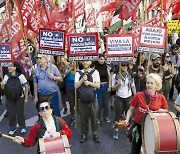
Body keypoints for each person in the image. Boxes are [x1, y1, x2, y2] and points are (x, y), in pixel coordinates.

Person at [125, 73, 168, 154]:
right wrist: (127, 119)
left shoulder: (161, 98)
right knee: (135, 149)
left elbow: (165, 113)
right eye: (148, 83)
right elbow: (130, 109)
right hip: (138, 126)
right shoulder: (138, 95)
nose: (149, 85)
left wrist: (161, 111)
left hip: (153, 129)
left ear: (157, 85)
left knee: (150, 150)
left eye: (152, 83)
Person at [75, 61, 101, 143]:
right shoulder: (78, 73)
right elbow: (75, 86)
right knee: (83, 119)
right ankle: (84, 134)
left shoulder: (95, 72)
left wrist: (89, 83)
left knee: (94, 118)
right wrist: (82, 79)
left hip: (93, 99)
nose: (85, 62)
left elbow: (98, 85)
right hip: (82, 100)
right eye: (84, 61)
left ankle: (95, 134)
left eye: (87, 60)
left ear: (90, 62)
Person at [111, 61, 136, 140]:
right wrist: (117, 84)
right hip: (119, 97)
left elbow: (133, 86)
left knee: (129, 115)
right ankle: (116, 130)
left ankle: (128, 129)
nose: (125, 66)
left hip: (128, 97)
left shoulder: (130, 75)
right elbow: (112, 88)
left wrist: (136, 97)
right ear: (119, 66)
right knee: (117, 115)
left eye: (126, 65)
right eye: (123, 65)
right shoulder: (115, 76)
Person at [2, 62, 29, 135]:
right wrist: (2, 83)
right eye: (8, 66)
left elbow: (26, 86)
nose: (9, 68)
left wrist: (26, 97)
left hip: (20, 97)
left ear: (15, 67)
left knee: (20, 113)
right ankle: (12, 128)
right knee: (11, 113)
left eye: (11, 66)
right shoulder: (6, 76)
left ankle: (22, 127)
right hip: (9, 98)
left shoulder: (21, 76)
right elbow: (3, 87)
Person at [94, 54, 111, 124]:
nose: (102, 60)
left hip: (106, 85)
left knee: (106, 103)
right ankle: (98, 118)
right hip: (99, 86)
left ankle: (106, 117)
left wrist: (109, 86)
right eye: (101, 59)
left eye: (103, 59)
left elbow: (109, 77)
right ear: (98, 60)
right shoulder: (95, 68)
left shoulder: (106, 67)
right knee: (99, 103)